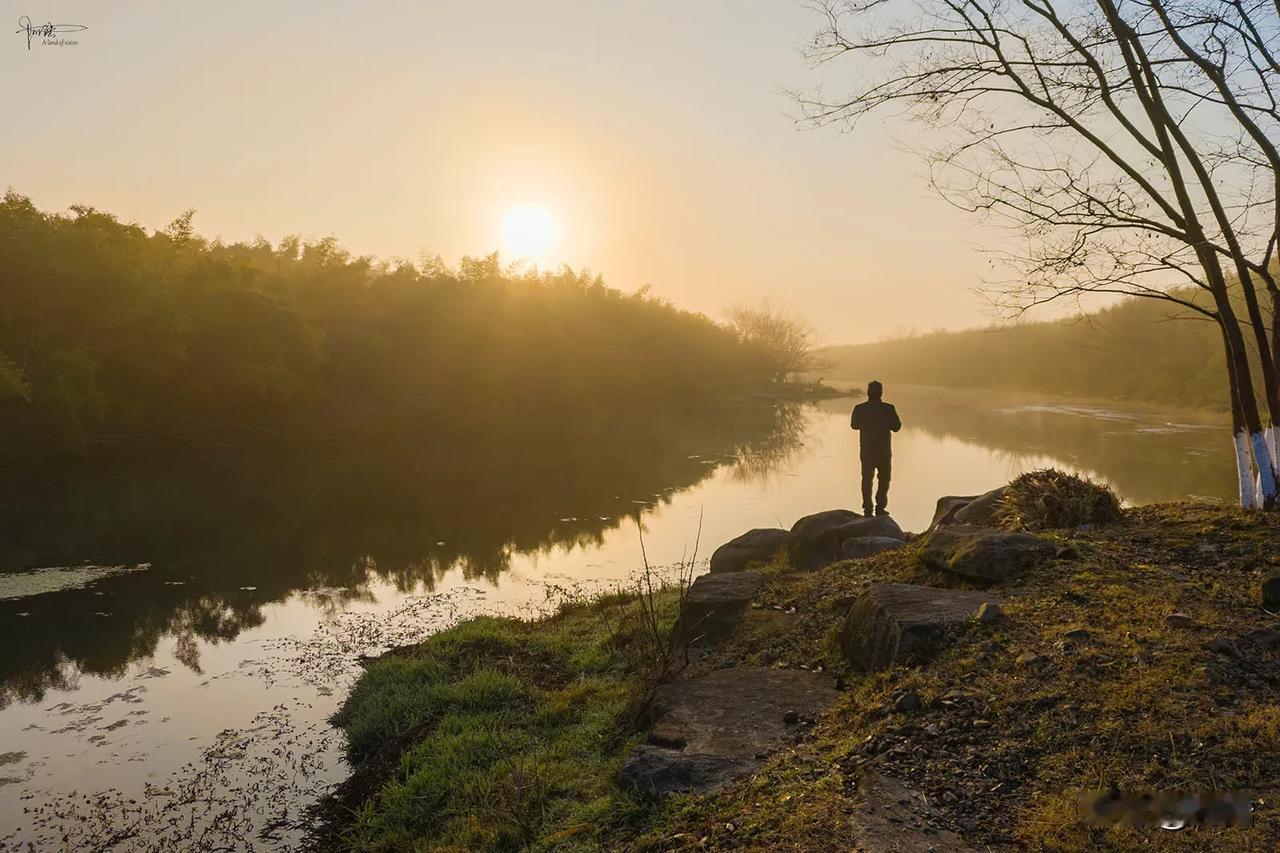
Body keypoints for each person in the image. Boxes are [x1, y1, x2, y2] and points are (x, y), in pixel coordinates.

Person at [850, 380, 901, 516]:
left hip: (867, 450)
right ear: (881, 393)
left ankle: (867, 508)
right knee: (884, 479)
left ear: (868, 393)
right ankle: (880, 508)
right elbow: (897, 427)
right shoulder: (889, 409)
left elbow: (854, 425)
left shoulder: (860, 408)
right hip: (884, 451)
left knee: (867, 479)